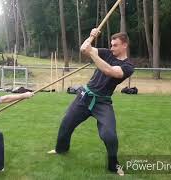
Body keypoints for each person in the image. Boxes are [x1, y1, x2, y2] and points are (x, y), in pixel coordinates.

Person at [47, 28, 134, 176]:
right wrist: (91, 37)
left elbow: (111, 71)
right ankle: (61, 149)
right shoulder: (107, 53)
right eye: (111, 44)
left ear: (124, 45)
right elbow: (83, 49)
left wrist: (93, 53)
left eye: (115, 45)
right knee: (66, 124)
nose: (111, 47)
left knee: (109, 135)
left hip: (102, 103)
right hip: (84, 96)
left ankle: (113, 165)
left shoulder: (128, 66)